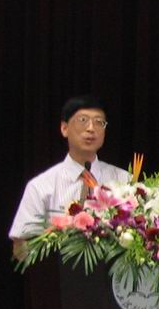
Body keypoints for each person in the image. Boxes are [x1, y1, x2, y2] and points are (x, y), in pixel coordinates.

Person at [8, 95, 130, 261]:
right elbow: (21, 247)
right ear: (64, 128)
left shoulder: (125, 180)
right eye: (83, 120)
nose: (91, 128)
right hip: (57, 274)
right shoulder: (40, 186)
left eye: (99, 122)